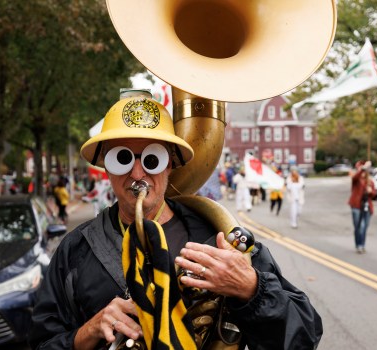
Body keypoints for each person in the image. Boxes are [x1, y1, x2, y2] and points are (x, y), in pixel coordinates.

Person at [29, 93, 322, 349]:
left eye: (152, 159)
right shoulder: (74, 251)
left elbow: (303, 336)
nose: (137, 174)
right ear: (106, 165)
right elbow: (42, 342)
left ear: (171, 163)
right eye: (123, 159)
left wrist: (250, 288)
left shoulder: (221, 238)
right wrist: (89, 331)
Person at [348, 160, 376, 254]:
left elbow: (373, 195)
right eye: (361, 169)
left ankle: (362, 245)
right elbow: (355, 177)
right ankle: (358, 244)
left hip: (367, 207)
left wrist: (370, 191)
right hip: (356, 205)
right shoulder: (356, 179)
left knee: (364, 226)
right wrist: (363, 168)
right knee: (357, 227)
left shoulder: (369, 181)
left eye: (364, 170)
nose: (363, 171)